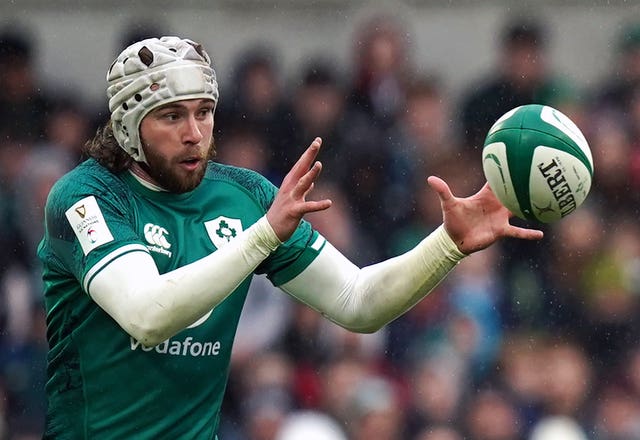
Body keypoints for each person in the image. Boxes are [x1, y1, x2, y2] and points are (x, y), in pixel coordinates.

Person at [37, 36, 543, 439]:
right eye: (172, 116)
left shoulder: (246, 197)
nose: (195, 133)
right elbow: (148, 317)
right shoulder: (86, 197)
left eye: (204, 112)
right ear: (128, 126)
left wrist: (448, 244)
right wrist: (260, 238)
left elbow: (358, 301)